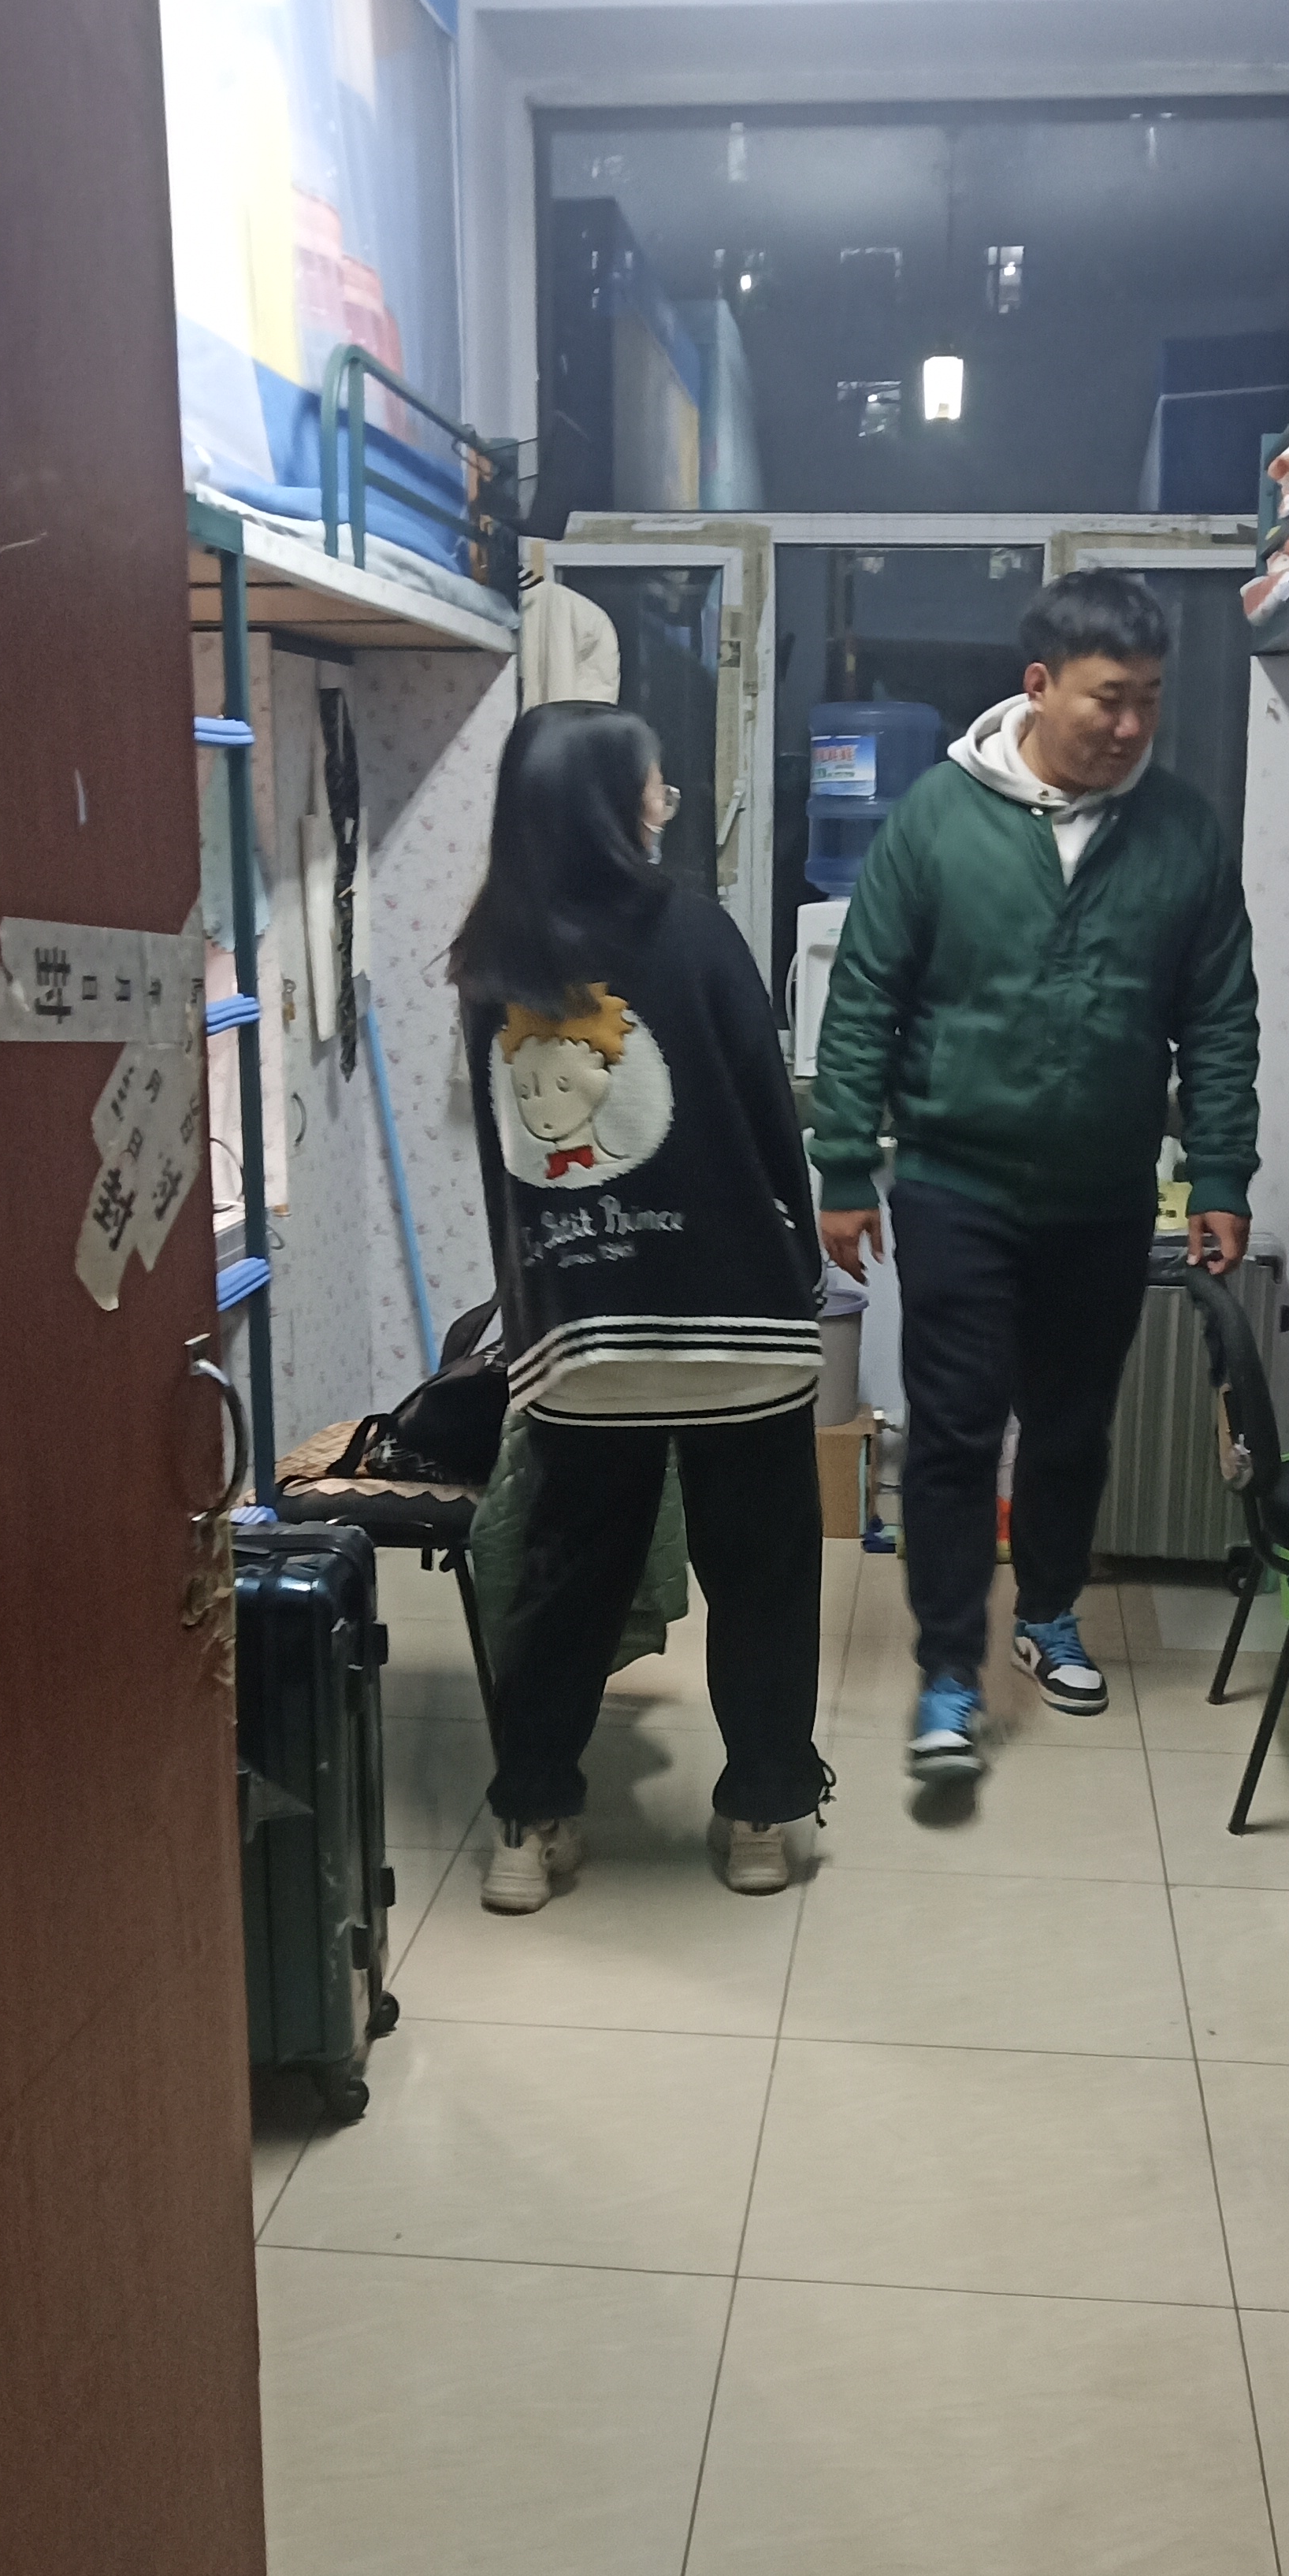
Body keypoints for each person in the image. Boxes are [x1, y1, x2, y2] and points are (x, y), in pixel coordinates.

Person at [810, 570, 1259, 1781]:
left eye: (1151, 700)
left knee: (1071, 1427)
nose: (1132, 725)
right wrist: (842, 1164)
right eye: (1110, 698)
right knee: (955, 1432)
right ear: (1040, 685)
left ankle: (1049, 1612)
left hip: (1103, 1193)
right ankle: (951, 1668)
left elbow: (1220, 1015)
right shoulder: (936, 819)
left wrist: (1220, 1169)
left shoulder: (1182, 832)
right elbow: (864, 999)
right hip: (954, 1182)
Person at [452, 702, 832, 1911]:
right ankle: (762, 1812)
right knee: (762, 1577)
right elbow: (770, 1116)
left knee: (567, 1580)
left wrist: (531, 1310)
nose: (665, 799)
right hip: (739, 1328)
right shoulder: (698, 930)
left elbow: (507, 1164)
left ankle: (531, 1821)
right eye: (654, 782)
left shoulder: (492, 956)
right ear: (615, 801)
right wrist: (802, 1269)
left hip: (586, 1337)